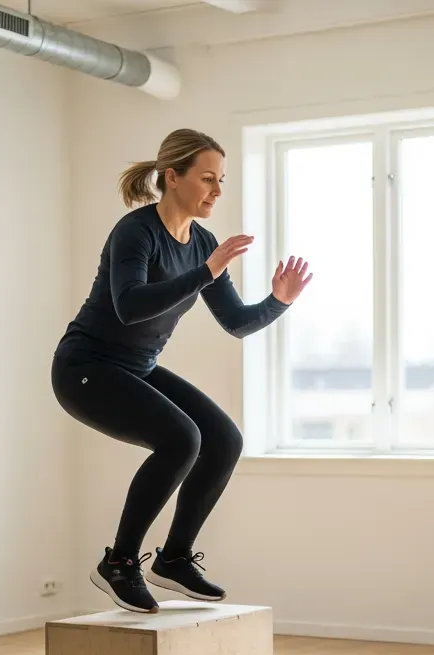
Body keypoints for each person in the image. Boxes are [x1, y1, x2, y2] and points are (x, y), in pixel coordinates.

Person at [50, 128, 313, 614]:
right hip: (85, 368)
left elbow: (235, 322)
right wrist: (206, 271)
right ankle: (120, 563)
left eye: (221, 180)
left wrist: (278, 302)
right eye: (208, 178)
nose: (216, 190)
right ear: (172, 177)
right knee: (181, 438)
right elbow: (129, 306)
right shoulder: (137, 231)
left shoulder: (202, 243)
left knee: (224, 439)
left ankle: (173, 559)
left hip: (137, 367)